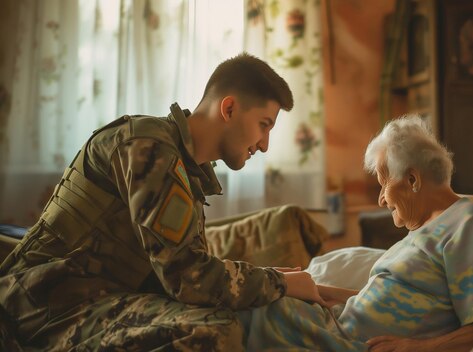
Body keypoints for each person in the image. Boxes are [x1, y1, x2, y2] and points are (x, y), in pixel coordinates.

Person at [0, 53, 327, 351]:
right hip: (41, 306)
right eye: (264, 125)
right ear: (228, 109)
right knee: (215, 331)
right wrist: (278, 281)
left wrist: (272, 282)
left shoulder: (188, 171)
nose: (265, 145)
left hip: (89, 298)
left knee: (242, 313)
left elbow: (182, 274)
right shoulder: (149, 148)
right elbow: (189, 279)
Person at [241, 114, 473, 351]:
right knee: (252, 297)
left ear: (412, 180)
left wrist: (417, 349)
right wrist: (310, 288)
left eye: (383, 185)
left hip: (339, 342)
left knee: (238, 314)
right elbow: (381, 302)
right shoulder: (425, 231)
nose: (382, 201)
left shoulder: (472, 224)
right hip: (328, 327)